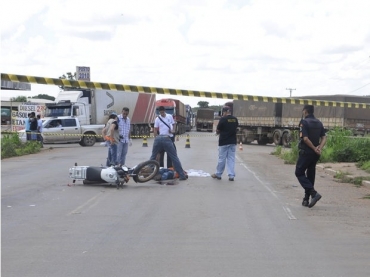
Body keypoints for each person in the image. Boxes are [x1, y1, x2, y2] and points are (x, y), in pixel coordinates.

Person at [295, 105, 327, 208]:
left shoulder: (304, 122)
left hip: (307, 152)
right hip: (315, 154)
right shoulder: (319, 122)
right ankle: (306, 199)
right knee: (310, 175)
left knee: (299, 172)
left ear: (305, 111)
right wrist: (319, 148)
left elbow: (305, 139)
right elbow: (324, 137)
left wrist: (313, 148)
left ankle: (314, 194)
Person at [150, 106, 188, 180]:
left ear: (165, 111)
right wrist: (156, 139)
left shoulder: (169, 116)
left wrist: (173, 130)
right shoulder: (157, 118)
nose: (162, 113)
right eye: (160, 112)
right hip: (163, 138)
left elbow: (174, 124)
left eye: (162, 112)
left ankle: (170, 170)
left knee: (157, 157)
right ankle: (181, 175)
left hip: (168, 138)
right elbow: (155, 130)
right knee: (168, 157)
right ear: (159, 112)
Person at [211, 106, 238, 181]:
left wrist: (217, 132)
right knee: (231, 159)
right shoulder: (235, 119)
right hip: (232, 142)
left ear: (225, 112)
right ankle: (231, 176)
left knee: (222, 159)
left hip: (223, 142)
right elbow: (235, 128)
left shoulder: (223, 119)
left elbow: (218, 129)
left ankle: (218, 174)